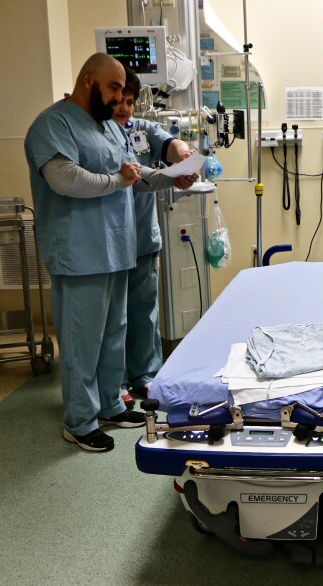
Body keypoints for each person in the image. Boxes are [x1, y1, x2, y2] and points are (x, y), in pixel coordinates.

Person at [24, 53, 147, 452]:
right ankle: (79, 420)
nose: (118, 99)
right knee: (82, 339)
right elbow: (65, 179)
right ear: (89, 81)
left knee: (114, 332)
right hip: (80, 251)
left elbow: (131, 171)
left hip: (116, 245)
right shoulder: (52, 124)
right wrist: (116, 180)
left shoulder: (110, 126)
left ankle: (110, 403)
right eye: (113, 88)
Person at [112, 69, 197, 407]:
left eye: (130, 102)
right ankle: (115, 381)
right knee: (115, 318)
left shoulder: (140, 130)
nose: (125, 108)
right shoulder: (98, 134)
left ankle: (145, 376)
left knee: (145, 311)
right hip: (112, 240)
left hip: (143, 236)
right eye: (119, 101)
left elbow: (169, 143)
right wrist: (169, 178)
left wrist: (182, 153)